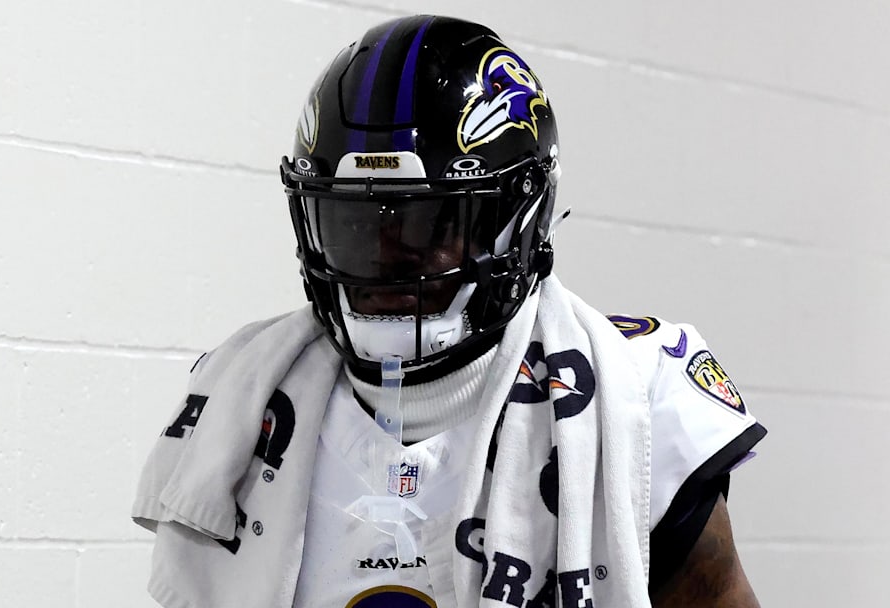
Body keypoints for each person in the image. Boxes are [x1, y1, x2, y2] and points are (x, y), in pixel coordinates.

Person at [134, 15, 766, 608]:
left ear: (519, 220)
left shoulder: (635, 391)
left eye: (425, 220)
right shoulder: (239, 398)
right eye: (355, 222)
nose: (386, 261)